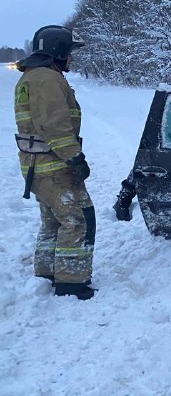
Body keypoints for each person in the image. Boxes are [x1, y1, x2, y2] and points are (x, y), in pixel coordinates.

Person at [14, 25, 95, 299]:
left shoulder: (34, 76)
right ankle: (72, 281)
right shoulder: (46, 80)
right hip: (54, 166)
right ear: (57, 51)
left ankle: (48, 270)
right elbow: (55, 125)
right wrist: (75, 156)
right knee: (78, 219)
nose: (72, 58)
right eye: (70, 52)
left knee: (53, 221)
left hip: (39, 165)